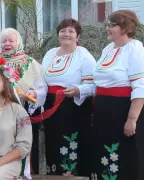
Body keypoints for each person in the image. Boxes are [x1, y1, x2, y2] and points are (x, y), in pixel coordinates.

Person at [35, 18, 96, 176]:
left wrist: (78, 89)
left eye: (71, 31)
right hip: (51, 108)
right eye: (63, 31)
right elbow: (42, 81)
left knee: (72, 144)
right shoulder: (50, 54)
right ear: (58, 35)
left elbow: (95, 86)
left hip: (74, 109)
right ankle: (55, 175)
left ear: (78, 36)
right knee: (53, 144)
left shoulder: (83, 55)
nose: (66, 34)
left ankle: (74, 175)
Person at [91, 10, 144, 180]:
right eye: (108, 24)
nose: (107, 28)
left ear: (125, 27)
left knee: (123, 155)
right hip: (104, 112)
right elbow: (99, 83)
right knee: (104, 152)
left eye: (112, 25)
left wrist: (132, 119)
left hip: (122, 110)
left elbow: (140, 86)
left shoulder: (134, 49)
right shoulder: (108, 49)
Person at [0, 28, 47, 174]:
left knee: (26, 148)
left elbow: (43, 89)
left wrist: (33, 93)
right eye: (4, 41)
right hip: (0, 115)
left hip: (26, 113)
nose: (7, 44)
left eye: (11, 41)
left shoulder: (31, 64)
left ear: (18, 42)